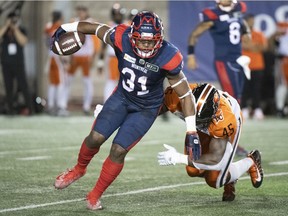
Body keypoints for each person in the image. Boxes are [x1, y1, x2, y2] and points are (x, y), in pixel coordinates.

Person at [52, 11, 199, 210]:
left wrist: (192, 130)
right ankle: (79, 169)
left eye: (151, 41)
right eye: (141, 41)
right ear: (132, 36)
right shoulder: (121, 37)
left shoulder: (169, 55)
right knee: (95, 138)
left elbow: (185, 95)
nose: (146, 46)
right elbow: (94, 28)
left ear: (160, 39)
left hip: (146, 108)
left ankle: (95, 195)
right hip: (121, 97)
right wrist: (65, 28)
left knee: (118, 150)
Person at [157, 83, 264, 201]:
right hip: (204, 124)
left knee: (215, 180)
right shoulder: (178, 95)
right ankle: (228, 172)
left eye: (201, 119)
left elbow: (215, 159)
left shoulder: (224, 122)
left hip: (227, 120)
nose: (197, 121)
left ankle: (250, 161)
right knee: (193, 170)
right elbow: (154, 109)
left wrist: (178, 158)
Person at [187, 0, 250, 156]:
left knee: (238, 101)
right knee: (232, 103)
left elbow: (241, 23)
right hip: (224, 61)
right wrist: (191, 55)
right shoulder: (212, 14)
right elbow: (195, 34)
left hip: (238, 60)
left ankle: (225, 139)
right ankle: (227, 142)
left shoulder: (239, 7)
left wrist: (247, 32)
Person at [66, 5, 101, 115]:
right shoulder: (73, 22)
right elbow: (69, 40)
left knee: (87, 82)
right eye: (79, 11)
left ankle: (86, 106)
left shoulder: (91, 23)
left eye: (82, 11)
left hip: (86, 57)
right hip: (76, 56)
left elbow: (96, 42)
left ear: (86, 12)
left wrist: (94, 57)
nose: (81, 13)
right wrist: (69, 55)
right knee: (68, 81)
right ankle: (62, 104)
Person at [0, 11, 33, 115]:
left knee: (23, 86)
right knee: (8, 87)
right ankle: (10, 109)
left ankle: (30, 109)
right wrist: (6, 26)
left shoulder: (21, 30)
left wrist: (15, 29)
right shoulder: (4, 31)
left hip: (18, 63)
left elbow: (23, 41)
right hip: (6, 63)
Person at [241, 13, 267, 120]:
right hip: (245, 65)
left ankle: (257, 109)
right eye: (250, 20)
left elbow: (264, 47)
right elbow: (243, 45)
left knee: (256, 89)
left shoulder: (259, 34)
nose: (252, 22)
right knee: (245, 88)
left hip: (257, 65)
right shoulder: (241, 34)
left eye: (253, 20)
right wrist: (254, 46)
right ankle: (244, 109)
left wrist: (250, 46)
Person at [44, 11, 70, 116]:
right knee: (61, 83)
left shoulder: (48, 27)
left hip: (50, 56)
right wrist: (64, 60)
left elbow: (46, 42)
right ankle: (60, 106)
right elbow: (61, 44)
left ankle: (51, 105)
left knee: (53, 83)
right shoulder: (60, 28)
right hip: (57, 56)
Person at [102, 3, 125, 102]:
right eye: (116, 14)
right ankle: (106, 102)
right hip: (113, 57)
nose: (118, 16)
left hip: (125, 58)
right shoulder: (109, 26)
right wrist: (100, 61)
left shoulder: (126, 25)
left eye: (119, 14)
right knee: (111, 81)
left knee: (124, 82)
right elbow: (103, 44)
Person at [272, 22, 288, 118]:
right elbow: (275, 39)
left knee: (283, 85)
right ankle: (280, 108)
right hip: (284, 60)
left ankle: (281, 108)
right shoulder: (283, 25)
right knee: (283, 84)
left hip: (284, 59)